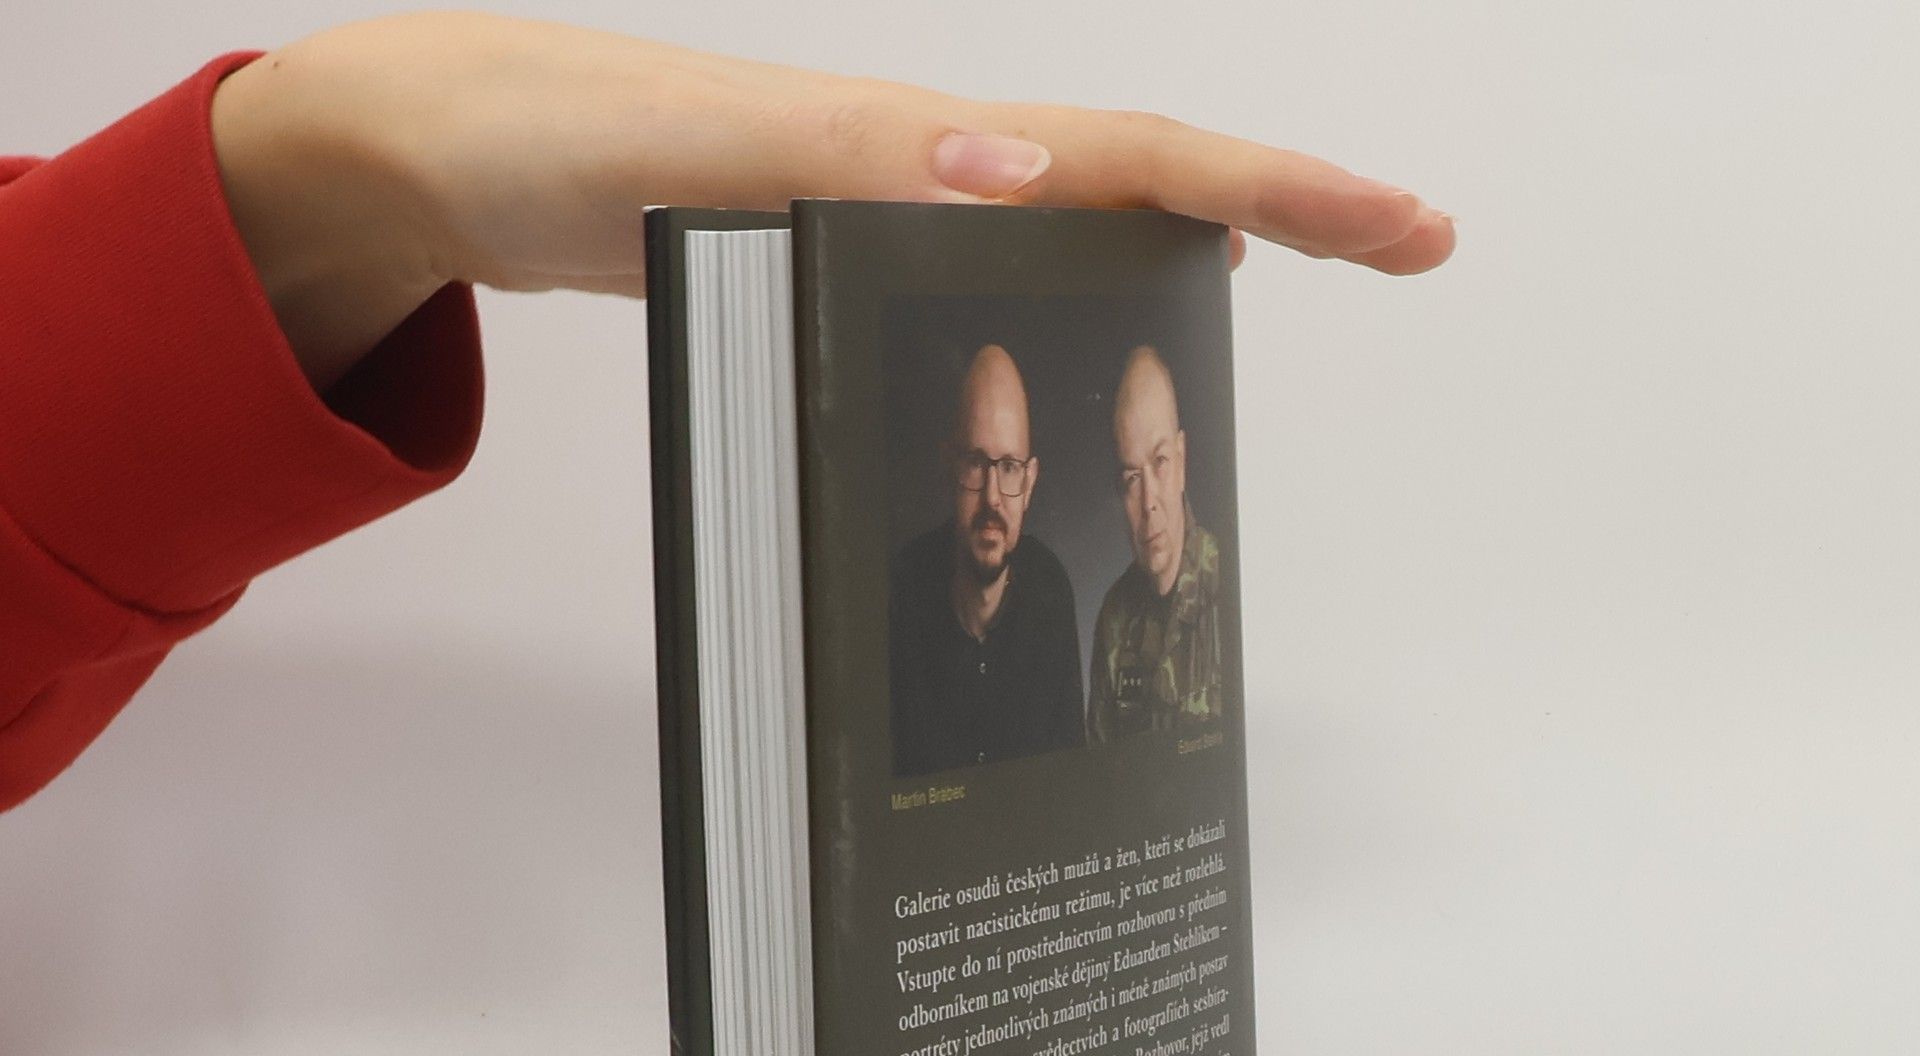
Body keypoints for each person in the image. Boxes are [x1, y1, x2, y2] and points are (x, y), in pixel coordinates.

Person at [0, 15, 1454, 812]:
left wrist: (328, 193)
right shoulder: (922, 602)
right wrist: (328, 181)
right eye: (979, 463)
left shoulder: (1084, 607)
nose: (1006, 495)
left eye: (1025, 467)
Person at [888, 345, 1082, 776]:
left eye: (1009, 467)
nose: (992, 497)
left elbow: (1069, 784)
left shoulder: (1052, 591)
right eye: (977, 463)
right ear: (950, 468)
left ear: (1029, 483)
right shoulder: (900, 590)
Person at [1088, 345, 1223, 741]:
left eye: (1160, 462)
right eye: (1132, 478)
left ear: (1182, 460)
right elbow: (1103, 770)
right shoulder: (1114, 618)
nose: (1148, 501)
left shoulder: (1232, 587)